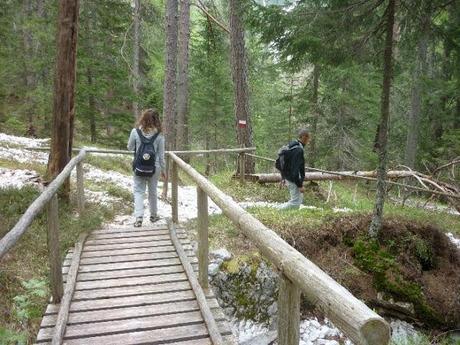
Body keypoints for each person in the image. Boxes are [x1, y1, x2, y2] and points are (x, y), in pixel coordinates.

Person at [127, 108, 166, 227]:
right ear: (157, 120)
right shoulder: (159, 135)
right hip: (155, 167)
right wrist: (164, 170)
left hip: (139, 166)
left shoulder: (135, 132)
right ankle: (153, 215)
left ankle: (139, 217)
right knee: (152, 191)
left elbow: (129, 147)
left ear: (143, 118)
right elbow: (161, 155)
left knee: (138, 191)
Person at [279, 128, 310, 210]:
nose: (308, 141)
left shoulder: (292, 145)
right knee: (295, 203)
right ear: (304, 137)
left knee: (298, 200)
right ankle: (278, 211)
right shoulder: (298, 150)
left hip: (288, 176)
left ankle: (285, 213)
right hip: (293, 179)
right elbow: (295, 169)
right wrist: (299, 185)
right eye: (308, 138)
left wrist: (283, 177)